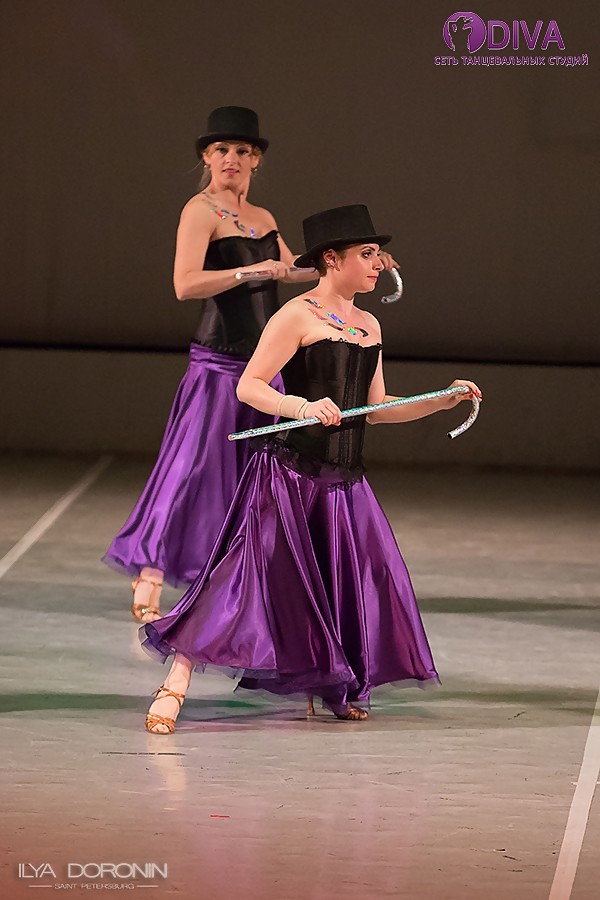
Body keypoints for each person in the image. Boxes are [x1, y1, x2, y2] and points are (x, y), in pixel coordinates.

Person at [140, 204, 481, 733]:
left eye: (376, 254)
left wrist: (439, 401)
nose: (377, 264)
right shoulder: (296, 315)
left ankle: (336, 683)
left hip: (344, 484)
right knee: (242, 580)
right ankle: (176, 683)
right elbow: (249, 386)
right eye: (367, 254)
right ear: (332, 259)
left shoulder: (369, 324)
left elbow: (377, 407)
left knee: (351, 583)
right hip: (290, 476)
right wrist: (299, 405)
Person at [102, 106, 315, 622]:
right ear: (207, 157)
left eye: (242, 150)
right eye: (221, 150)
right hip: (218, 361)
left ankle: (235, 577)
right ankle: (151, 570)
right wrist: (249, 272)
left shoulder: (263, 217)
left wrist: (353, 258)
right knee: (192, 467)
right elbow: (185, 284)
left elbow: (292, 271)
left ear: (256, 159)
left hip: (260, 366)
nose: (231, 159)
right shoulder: (200, 210)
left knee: (253, 472)